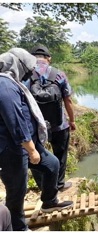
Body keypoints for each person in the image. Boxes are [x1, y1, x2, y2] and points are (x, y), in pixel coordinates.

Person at [0, 48, 73, 231]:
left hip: (26, 143)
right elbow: (14, 119)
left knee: (52, 164)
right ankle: (18, 227)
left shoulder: (11, 82)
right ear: (18, 65)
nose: (29, 74)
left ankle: (49, 201)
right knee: (17, 190)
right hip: (12, 148)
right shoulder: (4, 85)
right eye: (27, 70)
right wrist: (31, 148)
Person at [29, 45, 76, 191]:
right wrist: (72, 120)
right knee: (60, 153)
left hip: (34, 124)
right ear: (49, 58)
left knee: (36, 153)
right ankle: (59, 185)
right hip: (59, 123)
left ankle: (43, 186)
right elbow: (67, 100)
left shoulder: (26, 73)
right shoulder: (59, 74)